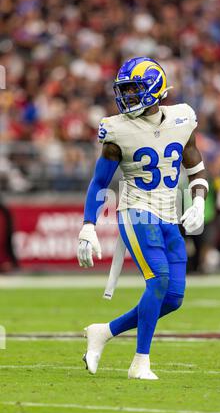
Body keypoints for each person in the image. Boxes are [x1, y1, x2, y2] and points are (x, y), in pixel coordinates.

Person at [77, 57, 208, 380]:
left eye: (134, 90)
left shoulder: (182, 118)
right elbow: (99, 182)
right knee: (159, 280)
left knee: (174, 297)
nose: (128, 97)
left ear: (156, 89)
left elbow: (195, 165)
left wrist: (199, 201)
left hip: (169, 213)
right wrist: (88, 224)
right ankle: (140, 361)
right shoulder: (116, 129)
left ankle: (104, 332)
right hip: (136, 211)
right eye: (125, 90)